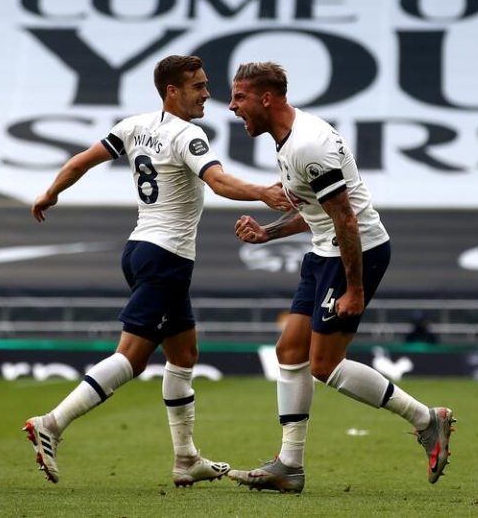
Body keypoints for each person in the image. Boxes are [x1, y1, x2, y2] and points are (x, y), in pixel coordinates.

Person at [23, 55, 290, 486]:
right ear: (172, 91)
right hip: (166, 257)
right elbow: (218, 182)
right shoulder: (189, 136)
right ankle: (52, 423)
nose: (207, 93)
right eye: (198, 86)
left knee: (183, 355)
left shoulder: (132, 126)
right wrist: (263, 192)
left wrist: (50, 193)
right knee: (132, 356)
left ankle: (186, 459)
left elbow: (79, 162)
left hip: (141, 249)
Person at [226, 62, 455, 492]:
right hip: (324, 251)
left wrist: (355, 289)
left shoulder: (307, 146)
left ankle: (427, 420)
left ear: (266, 98)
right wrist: (267, 233)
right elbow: (318, 212)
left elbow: (347, 221)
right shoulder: (288, 139)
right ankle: (289, 466)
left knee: (324, 365)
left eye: (239, 97)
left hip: (356, 252)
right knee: (289, 349)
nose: (232, 106)